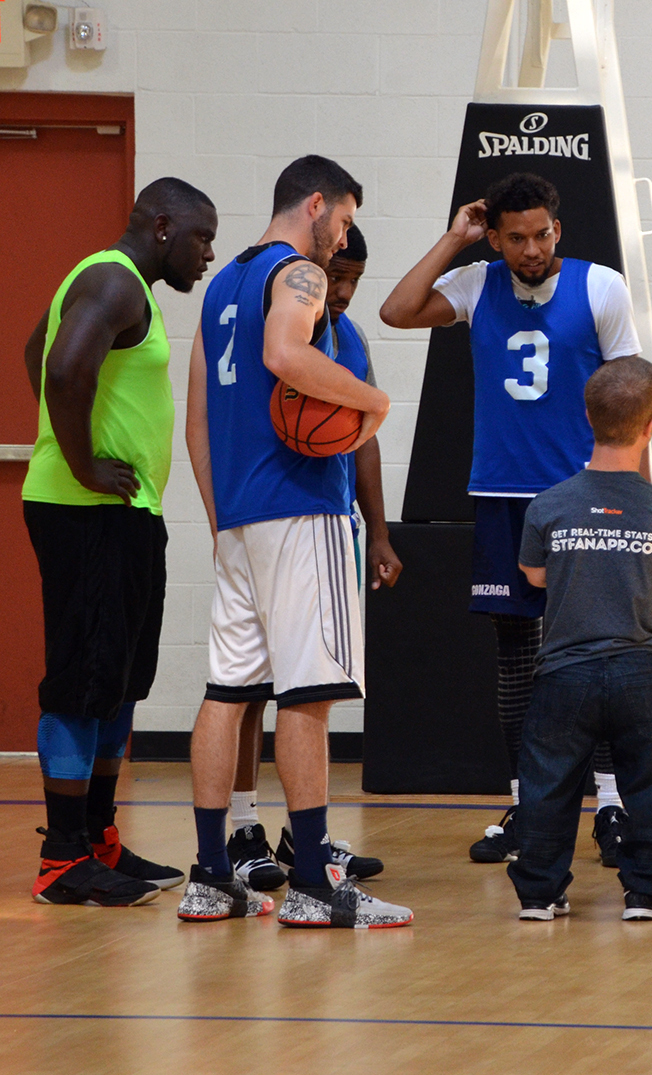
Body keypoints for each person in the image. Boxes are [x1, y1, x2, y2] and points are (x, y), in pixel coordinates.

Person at [380, 172, 640, 866]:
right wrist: (454, 239)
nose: (532, 249)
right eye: (516, 237)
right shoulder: (476, 283)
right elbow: (396, 311)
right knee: (518, 656)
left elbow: (632, 399)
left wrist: (634, 499)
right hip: (501, 496)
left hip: (585, 494)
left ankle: (612, 804)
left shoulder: (601, 287)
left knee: (599, 651)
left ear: (559, 229)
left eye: (542, 234)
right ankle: (530, 804)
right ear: (494, 237)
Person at [179, 155, 411, 928]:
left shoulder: (221, 287)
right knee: (308, 696)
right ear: (315, 204)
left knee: (227, 692)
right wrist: (373, 400)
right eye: (342, 221)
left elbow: (198, 422)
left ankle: (210, 876)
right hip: (303, 509)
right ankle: (312, 883)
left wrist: (221, 521)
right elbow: (286, 353)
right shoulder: (298, 274)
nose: (341, 239)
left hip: (240, 518)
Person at [22, 178, 217, 906]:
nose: (207, 253)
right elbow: (59, 366)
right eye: (201, 237)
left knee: (119, 681)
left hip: (123, 513)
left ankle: (98, 837)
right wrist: (80, 462)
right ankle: (62, 858)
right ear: (162, 227)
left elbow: (34, 349)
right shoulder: (114, 280)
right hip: (87, 512)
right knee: (81, 682)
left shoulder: (124, 285)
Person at [224, 223, 396, 892]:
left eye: (355, 280)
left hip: (329, 520)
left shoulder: (349, 337)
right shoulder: (282, 326)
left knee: (315, 687)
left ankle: (306, 835)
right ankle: (243, 827)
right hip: (274, 515)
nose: (345, 291)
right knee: (251, 688)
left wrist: (378, 532)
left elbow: (364, 440)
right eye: (339, 276)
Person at [506, 356, 652, 921]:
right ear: (650, 425)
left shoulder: (549, 504)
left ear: (588, 417)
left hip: (563, 672)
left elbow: (535, 576)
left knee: (547, 784)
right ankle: (643, 891)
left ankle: (540, 894)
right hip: (640, 671)